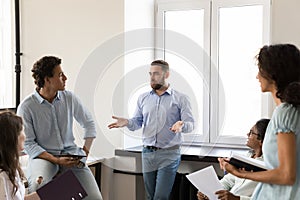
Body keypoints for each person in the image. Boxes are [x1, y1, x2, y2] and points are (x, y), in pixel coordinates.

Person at [219, 44, 300, 200]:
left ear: (273, 73)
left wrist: (239, 173)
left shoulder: (285, 112)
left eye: (260, 70)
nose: (257, 76)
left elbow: (286, 175)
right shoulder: (293, 110)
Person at [16, 56, 102, 200]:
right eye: (60, 75)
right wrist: (56, 160)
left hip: (70, 155)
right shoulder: (26, 107)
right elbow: (28, 144)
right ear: (47, 79)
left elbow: (89, 124)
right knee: (39, 187)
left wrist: (85, 152)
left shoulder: (69, 98)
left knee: (94, 198)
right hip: (43, 156)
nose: (65, 78)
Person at [108, 60, 195, 200]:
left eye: (156, 73)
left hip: (169, 153)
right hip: (147, 153)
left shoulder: (181, 99)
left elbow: (191, 124)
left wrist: (182, 125)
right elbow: (137, 122)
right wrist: (127, 122)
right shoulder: (143, 98)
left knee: (160, 197)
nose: (152, 77)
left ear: (166, 74)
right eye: (150, 74)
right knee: (149, 196)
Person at [197, 118, 270, 200]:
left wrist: (237, 199)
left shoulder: (269, 166)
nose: (247, 134)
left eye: (251, 133)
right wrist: (210, 192)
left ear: (261, 140)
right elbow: (228, 181)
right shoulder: (246, 157)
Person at [0, 111, 40, 200]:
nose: (25, 136)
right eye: (22, 131)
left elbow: (19, 198)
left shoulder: (11, 167)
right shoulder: (2, 177)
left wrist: (45, 193)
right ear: (12, 137)